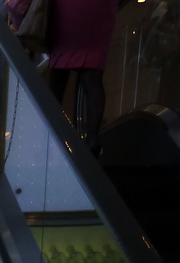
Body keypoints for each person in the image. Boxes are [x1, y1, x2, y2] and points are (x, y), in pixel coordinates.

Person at [45, 0, 119, 154]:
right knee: (92, 77)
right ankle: (92, 140)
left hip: (67, 8)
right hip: (98, 9)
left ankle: (50, 134)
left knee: (58, 74)